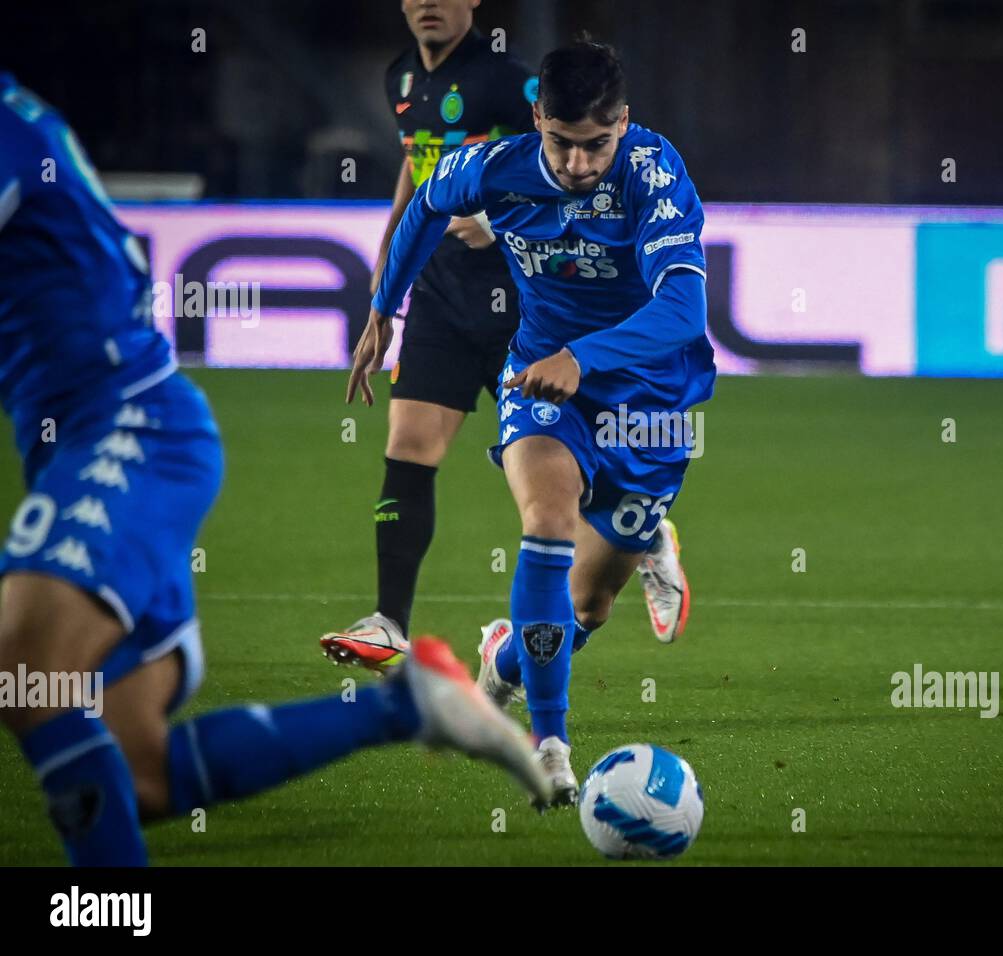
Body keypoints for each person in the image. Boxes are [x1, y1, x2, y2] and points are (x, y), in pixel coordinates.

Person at [0, 73, 549, 866]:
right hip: (80, 449)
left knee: (27, 668)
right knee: (137, 769)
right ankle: (407, 706)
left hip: (130, 433)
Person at [354, 39, 713, 801]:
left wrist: (584, 357)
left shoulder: (655, 174)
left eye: (597, 146)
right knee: (546, 524)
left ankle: (507, 653)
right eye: (562, 143)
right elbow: (425, 204)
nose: (580, 165)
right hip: (545, 383)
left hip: (651, 402)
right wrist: (386, 308)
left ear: (623, 123)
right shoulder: (497, 165)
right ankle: (550, 747)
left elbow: (683, 309)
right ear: (537, 119)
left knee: (588, 606)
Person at [325, 1, 690, 672]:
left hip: (523, 296)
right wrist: (386, 286)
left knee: (570, 479)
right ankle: (388, 621)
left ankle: (638, 527)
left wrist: (499, 222)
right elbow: (422, 174)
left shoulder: (513, 81)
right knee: (411, 444)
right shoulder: (401, 78)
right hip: (441, 291)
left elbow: (553, 159)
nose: (429, 4)